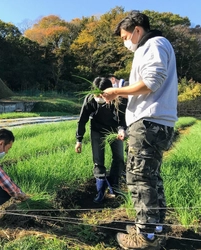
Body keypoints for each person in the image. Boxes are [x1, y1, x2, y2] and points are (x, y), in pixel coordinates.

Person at [102, 10, 177, 250]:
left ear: (137, 30)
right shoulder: (156, 46)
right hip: (156, 122)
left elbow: (151, 82)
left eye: (125, 36)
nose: (125, 42)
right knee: (150, 177)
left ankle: (144, 238)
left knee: (139, 178)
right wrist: (122, 86)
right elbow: (149, 80)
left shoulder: (153, 44)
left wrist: (117, 92)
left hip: (148, 124)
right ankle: (155, 229)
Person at [75, 77, 127, 203]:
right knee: (98, 161)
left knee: (119, 158)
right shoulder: (90, 100)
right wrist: (79, 140)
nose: (99, 97)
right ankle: (100, 191)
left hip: (114, 131)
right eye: (96, 94)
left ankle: (114, 187)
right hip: (97, 130)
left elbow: (122, 118)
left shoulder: (118, 99)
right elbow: (82, 120)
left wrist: (121, 130)